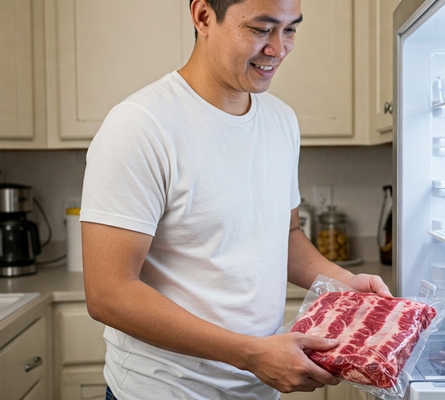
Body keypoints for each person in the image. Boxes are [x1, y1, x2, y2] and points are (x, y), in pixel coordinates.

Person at [81, 0, 392, 399]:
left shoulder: (281, 120)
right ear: (203, 16)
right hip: (166, 390)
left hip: (257, 389)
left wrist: (345, 284)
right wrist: (250, 354)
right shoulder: (141, 125)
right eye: (261, 30)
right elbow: (109, 294)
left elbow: (286, 235)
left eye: (290, 30)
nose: (278, 49)